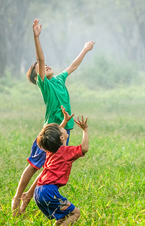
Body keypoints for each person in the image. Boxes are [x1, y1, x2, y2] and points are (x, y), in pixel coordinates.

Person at [11, 18, 95, 215]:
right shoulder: (45, 85)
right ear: (37, 77)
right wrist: (36, 37)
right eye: (39, 68)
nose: (45, 65)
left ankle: (28, 198)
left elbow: (73, 66)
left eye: (45, 65)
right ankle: (17, 198)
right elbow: (40, 59)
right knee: (34, 165)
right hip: (50, 132)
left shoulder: (58, 79)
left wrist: (85, 49)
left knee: (51, 166)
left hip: (64, 130)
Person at [34, 113, 89, 226]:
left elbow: (54, 137)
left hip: (38, 191)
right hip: (49, 192)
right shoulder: (66, 152)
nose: (63, 128)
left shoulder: (50, 150)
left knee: (64, 216)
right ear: (61, 137)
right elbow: (84, 148)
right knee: (75, 213)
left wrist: (64, 122)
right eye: (61, 128)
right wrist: (85, 130)